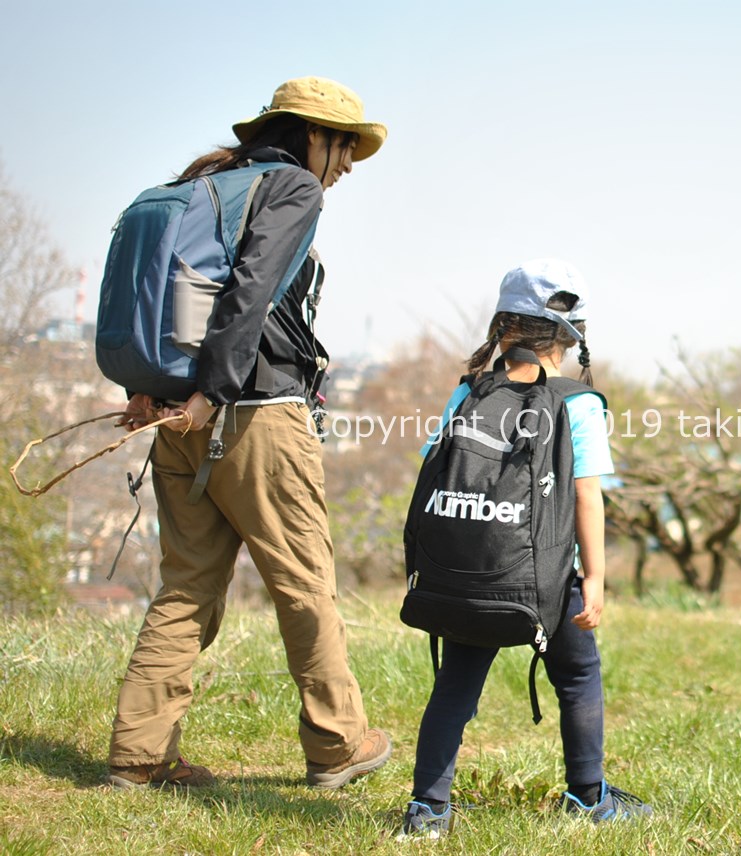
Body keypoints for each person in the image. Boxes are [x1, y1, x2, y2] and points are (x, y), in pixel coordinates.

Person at [106, 77, 392, 790]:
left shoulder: (211, 184)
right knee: (304, 584)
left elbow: (157, 300)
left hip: (177, 419)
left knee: (185, 589)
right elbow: (250, 291)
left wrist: (155, 391)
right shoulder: (293, 188)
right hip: (254, 417)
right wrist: (214, 391)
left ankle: (138, 758)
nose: (348, 164)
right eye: (345, 146)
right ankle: (338, 744)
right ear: (311, 136)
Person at [398, 259, 652, 839]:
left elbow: (434, 474)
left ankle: (428, 810)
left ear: (503, 330)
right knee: (579, 673)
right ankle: (588, 797)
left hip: (467, 575)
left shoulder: (469, 391)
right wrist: (596, 579)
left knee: (456, 687)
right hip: (546, 582)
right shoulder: (578, 404)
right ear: (568, 337)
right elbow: (589, 500)